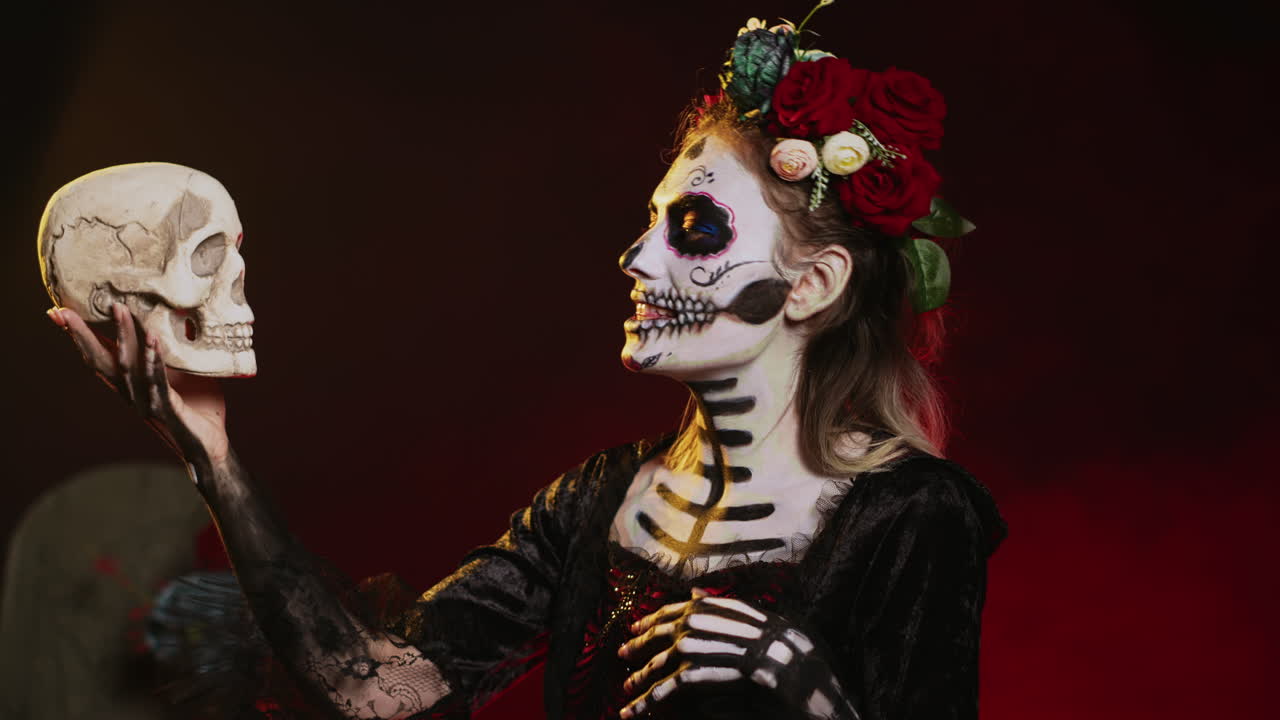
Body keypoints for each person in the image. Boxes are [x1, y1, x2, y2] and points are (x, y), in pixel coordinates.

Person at [46, 8, 1005, 720]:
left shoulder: (915, 517)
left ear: (815, 283)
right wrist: (211, 452)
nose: (637, 259)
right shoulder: (597, 503)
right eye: (651, 219)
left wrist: (804, 682)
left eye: (697, 227)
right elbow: (383, 693)